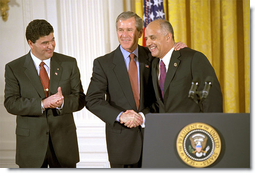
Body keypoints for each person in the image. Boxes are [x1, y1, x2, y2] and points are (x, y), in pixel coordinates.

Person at [85, 11, 186, 168]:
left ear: (140, 33)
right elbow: (92, 100)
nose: (124, 35)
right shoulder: (103, 63)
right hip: (122, 145)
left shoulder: (154, 56)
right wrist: (120, 116)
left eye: (129, 30)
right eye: (120, 29)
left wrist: (178, 51)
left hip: (155, 139)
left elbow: (166, 95)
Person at [4, 19, 86, 168]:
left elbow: (80, 99)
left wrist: (63, 103)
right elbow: (10, 103)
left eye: (52, 40)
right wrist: (42, 104)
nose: (51, 46)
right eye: (44, 43)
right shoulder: (14, 68)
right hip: (31, 147)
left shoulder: (69, 63)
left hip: (64, 145)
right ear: (30, 43)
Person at [145, 19, 223, 113]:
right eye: (146, 39)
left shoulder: (193, 58)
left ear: (168, 37)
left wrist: (209, 126)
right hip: (165, 126)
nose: (148, 43)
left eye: (152, 38)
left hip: (191, 126)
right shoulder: (154, 64)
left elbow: (212, 99)